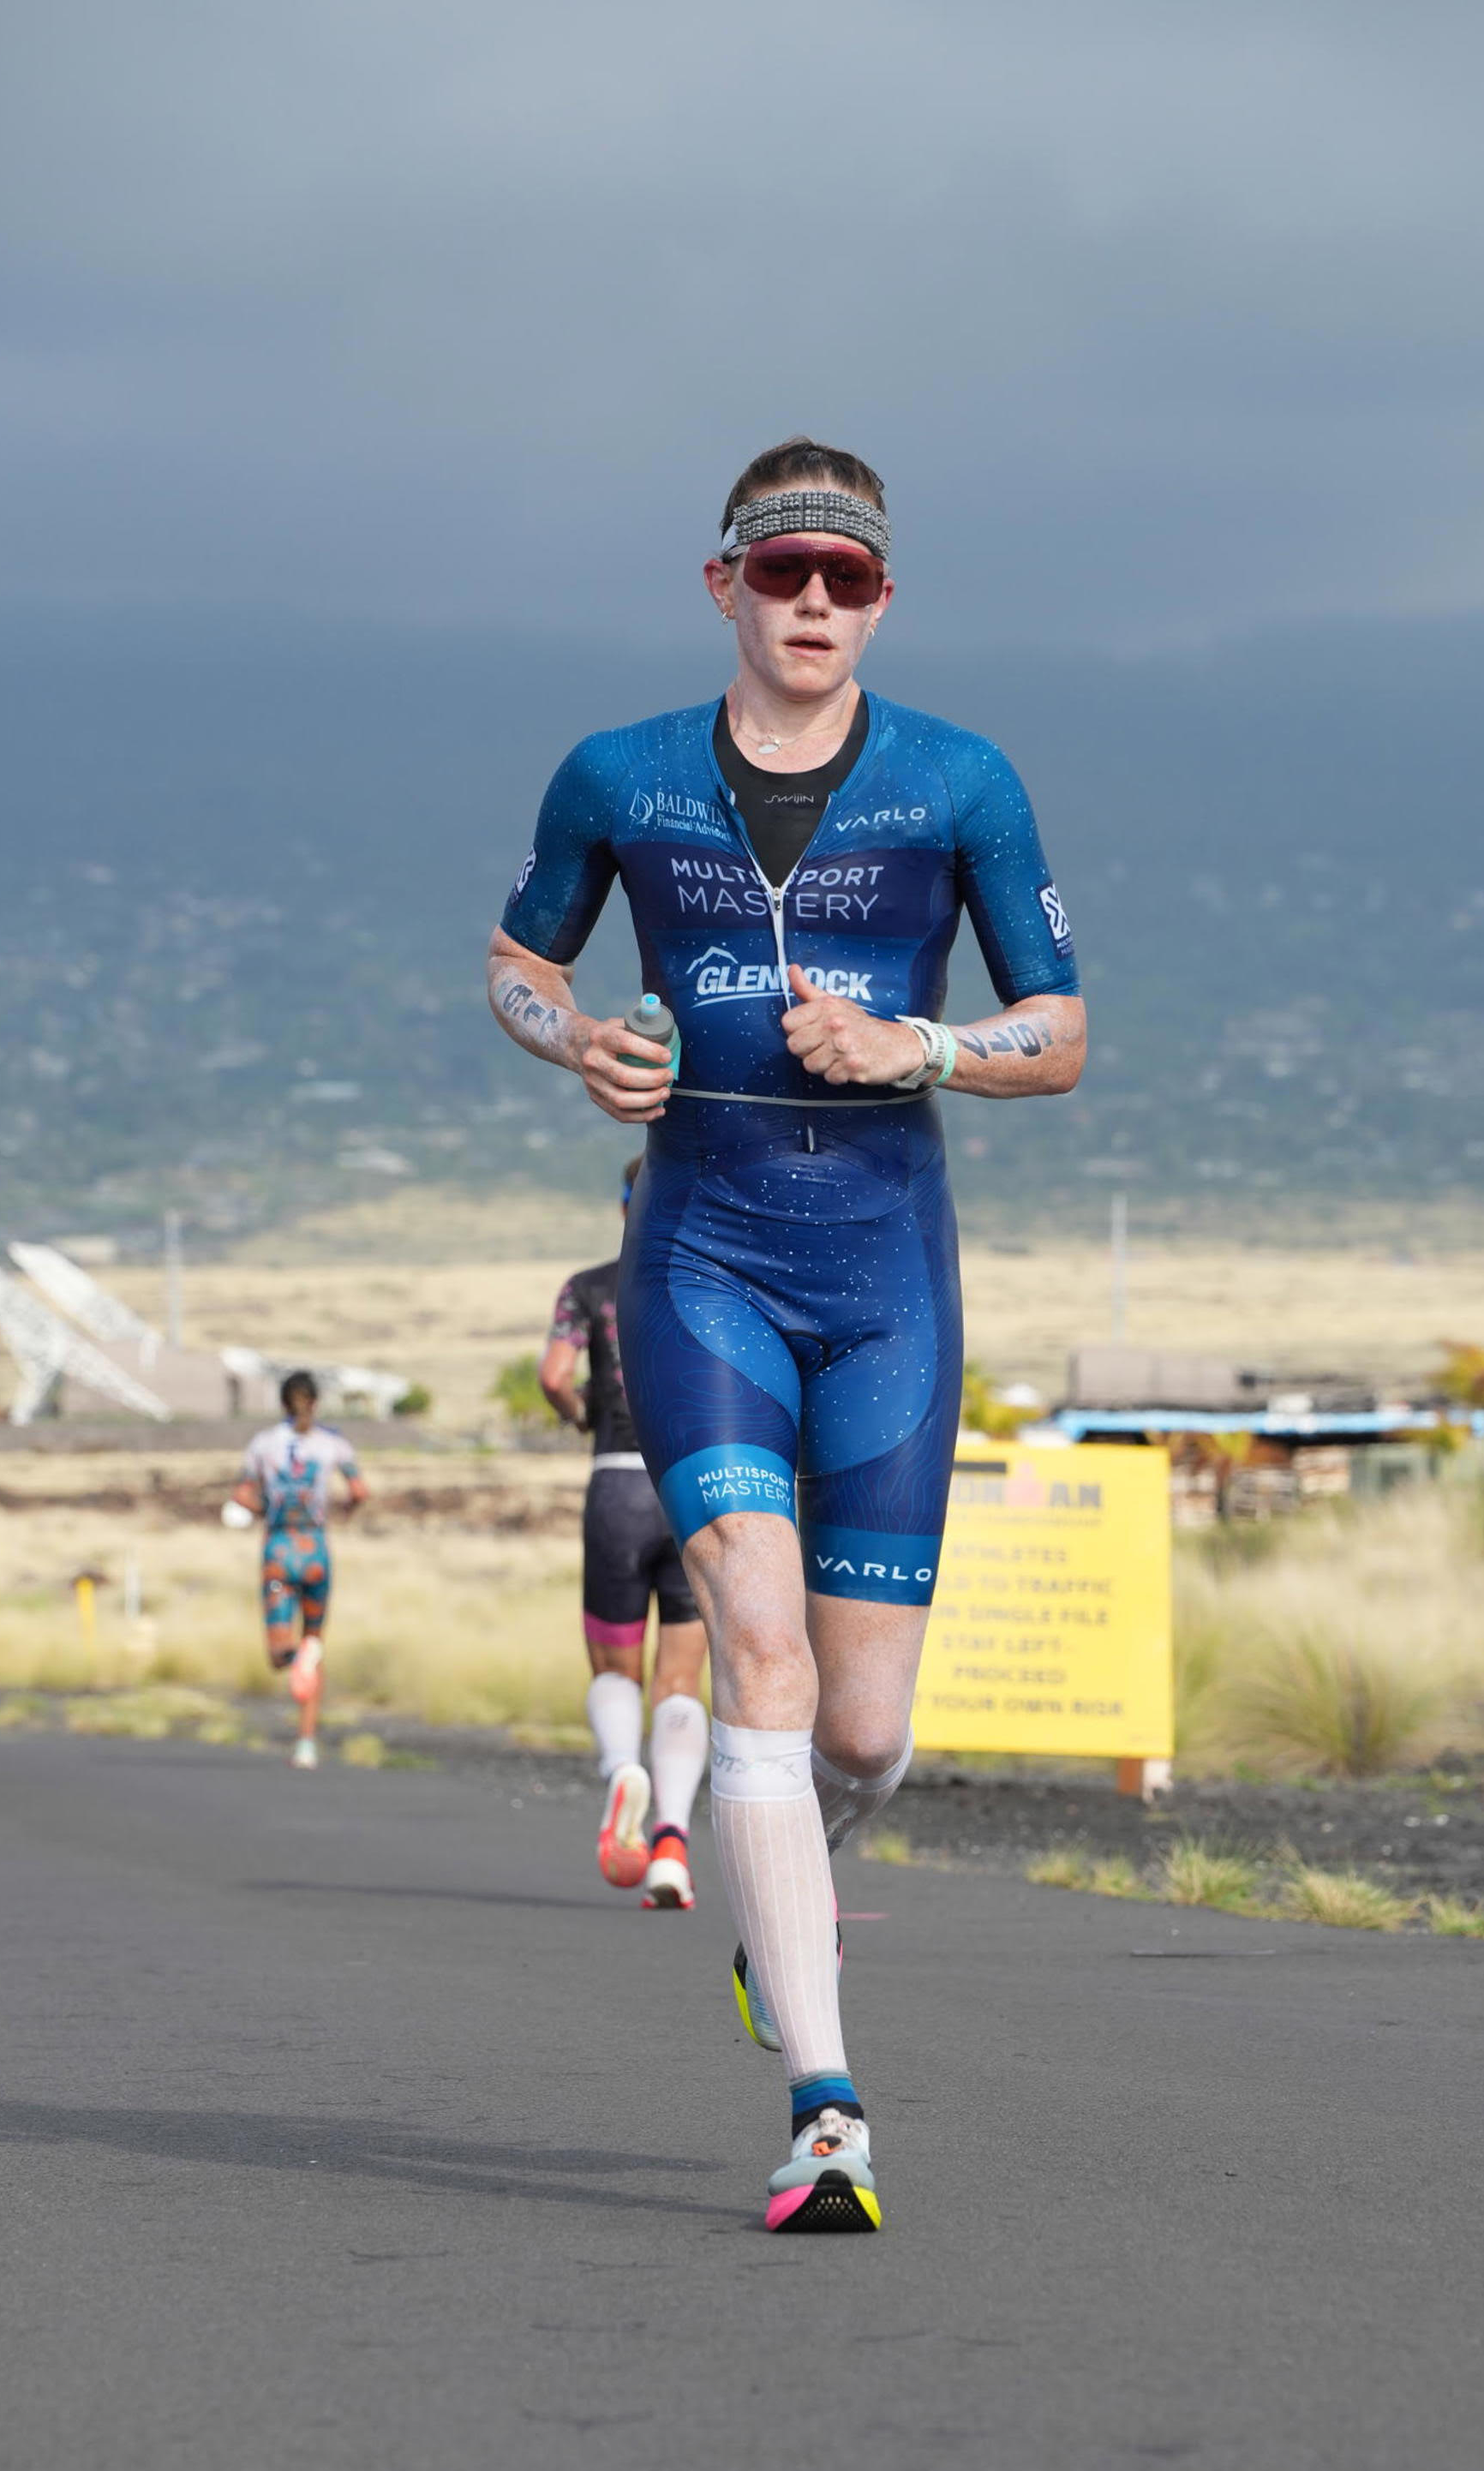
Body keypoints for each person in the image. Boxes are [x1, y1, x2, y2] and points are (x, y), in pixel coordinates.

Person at [487, 436, 1083, 2231]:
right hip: (703, 1259)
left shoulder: (960, 781)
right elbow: (517, 964)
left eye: (845, 578)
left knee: (865, 1731)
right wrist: (574, 1040)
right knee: (756, 1652)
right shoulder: (618, 774)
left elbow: (1057, 1031)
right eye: (780, 572)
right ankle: (827, 2113)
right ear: (722, 586)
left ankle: (785, 1894)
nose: (812, 601)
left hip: (887, 1272)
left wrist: (925, 1047)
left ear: (881, 600)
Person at [540, 1160, 710, 1909]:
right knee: (681, 1683)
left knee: (616, 1672)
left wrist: (582, 1416)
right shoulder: (712, 1283)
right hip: (695, 1489)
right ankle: (671, 1845)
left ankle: (622, 1770)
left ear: (621, 1206)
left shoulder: (587, 1287)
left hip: (616, 1483)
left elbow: (554, 1375)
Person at [227, 1369, 368, 1768]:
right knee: (314, 1644)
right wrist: (344, 1512)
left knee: (278, 1652)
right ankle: (306, 1744)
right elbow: (359, 1491)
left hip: (279, 1551)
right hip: (316, 1552)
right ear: (316, 1402)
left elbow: (241, 1494)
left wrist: (265, 1510)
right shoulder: (333, 1443)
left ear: (282, 1402)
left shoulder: (263, 1444)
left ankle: (293, 1658)